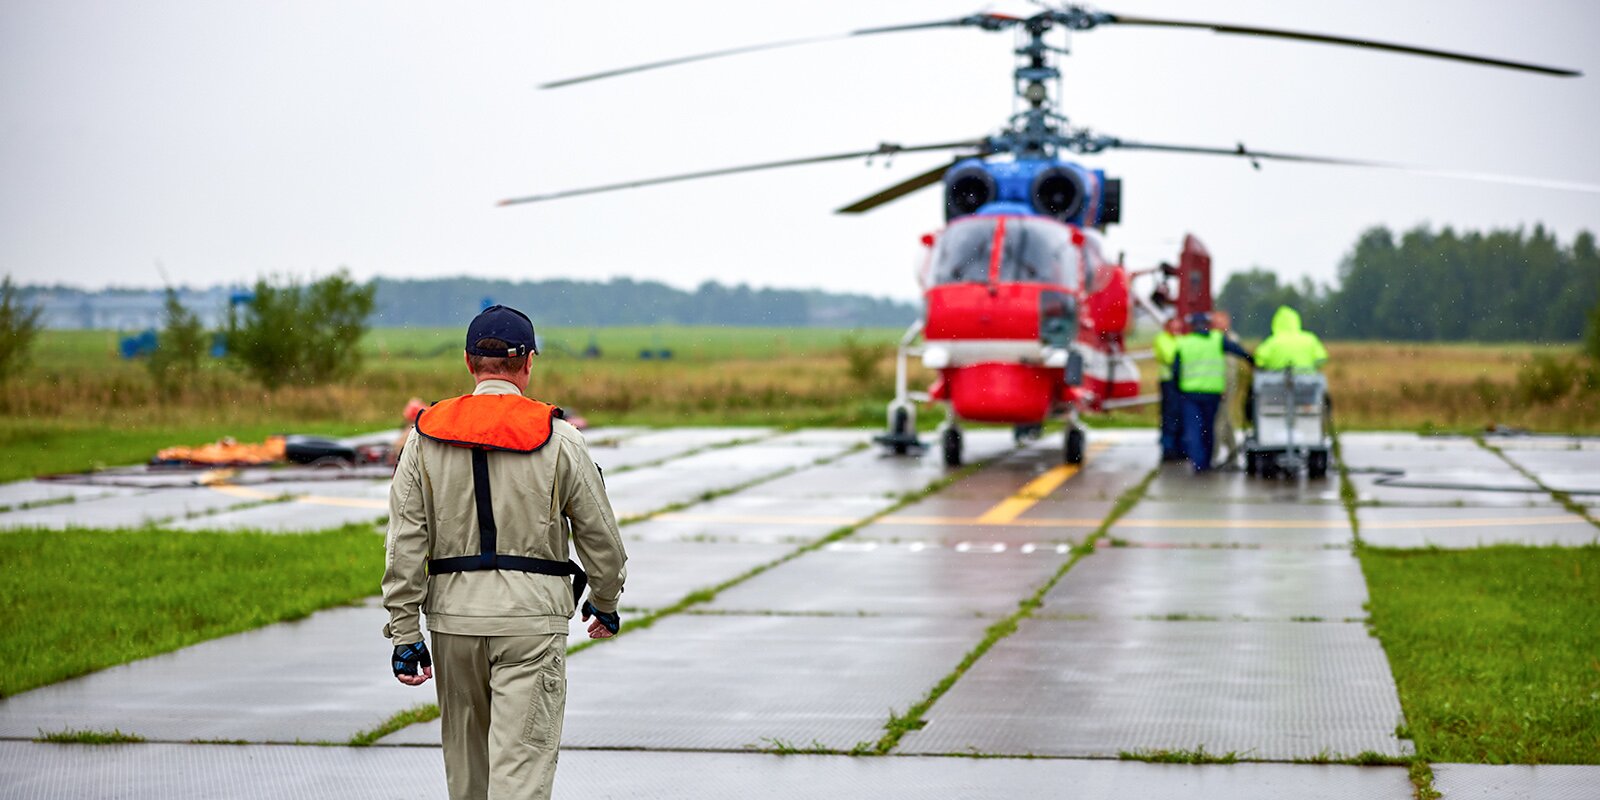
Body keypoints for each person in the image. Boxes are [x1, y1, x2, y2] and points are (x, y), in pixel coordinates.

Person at [382, 304, 628, 800]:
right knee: (521, 774)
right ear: (529, 363)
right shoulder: (560, 438)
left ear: (470, 363)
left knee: (468, 775)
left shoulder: (423, 437)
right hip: (531, 624)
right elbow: (601, 538)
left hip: (453, 623)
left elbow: (405, 542)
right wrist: (605, 601)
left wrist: (405, 632)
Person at [1173, 311, 1253, 472]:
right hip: (1212, 394)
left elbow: (1176, 370)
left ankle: (1198, 462)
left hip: (1190, 394)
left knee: (1193, 428)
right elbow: (1238, 350)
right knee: (1208, 428)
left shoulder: (1184, 343)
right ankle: (1207, 461)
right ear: (1207, 325)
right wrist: (1254, 361)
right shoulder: (1217, 340)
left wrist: (1178, 389)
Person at [1254, 305, 1328, 371]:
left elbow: (1259, 361)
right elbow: (1321, 358)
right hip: (1308, 383)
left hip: (1275, 383)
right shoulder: (1310, 339)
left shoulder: (1272, 341)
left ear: (1276, 322)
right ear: (1296, 320)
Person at [1152, 317, 1183, 462]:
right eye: (1174, 327)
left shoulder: (1180, 339)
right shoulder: (1162, 339)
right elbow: (1169, 357)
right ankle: (1168, 449)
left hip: (1181, 382)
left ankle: (1179, 448)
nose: (1176, 331)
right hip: (1168, 381)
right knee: (1170, 415)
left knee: (1180, 415)